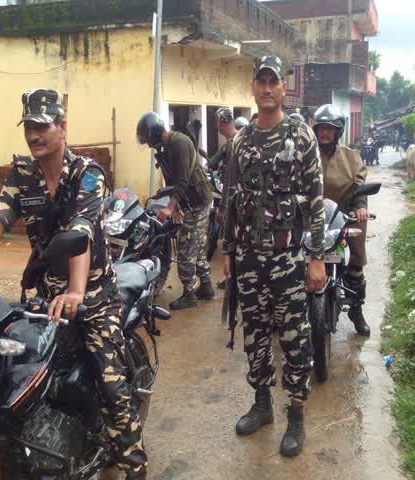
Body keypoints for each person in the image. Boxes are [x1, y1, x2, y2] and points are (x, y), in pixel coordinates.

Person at [0, 89, 147, 479]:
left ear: (62, 127)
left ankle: (132, 461)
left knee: (110, 381)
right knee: (12, 371)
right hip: (46, 299)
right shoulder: (22, 176)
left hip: (94, 297)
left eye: (42, 126)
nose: (34, 135)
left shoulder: (88, 174)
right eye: (29, 126)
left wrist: (78, 290)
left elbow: (81, 231)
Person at [223, 55, 326, 457]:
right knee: (255, 334)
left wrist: (316, 257)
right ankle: (262, 405)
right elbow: (232, 200)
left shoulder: (301, 136)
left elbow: (316, 199)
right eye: (260, 81)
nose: (266, 88)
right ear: (252, 87)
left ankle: (295, 416)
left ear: (284, 87)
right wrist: (229, 252)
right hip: (249, 258)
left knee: (294, 337)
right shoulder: (242, 141)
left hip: (288, 258)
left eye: (273, 82)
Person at [136, 112, 214, 310]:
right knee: (194, 245)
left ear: (154, 133)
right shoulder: (165, 149)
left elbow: (182, 181)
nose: (148, 144)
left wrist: (170, 207)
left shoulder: (179, 143)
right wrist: (177, 208)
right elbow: (171, 182)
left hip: (198, 201)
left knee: (186, 249)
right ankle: (206, 286)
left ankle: (190, 294)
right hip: (189, 202)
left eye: (148, 139)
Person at [312, 104, 371, 336]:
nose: (325, 133)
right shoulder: (306, 153)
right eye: (321, 128)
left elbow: (360, 190)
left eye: (330, 128)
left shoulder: (351, 157)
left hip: (343, 217)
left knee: (355, 264)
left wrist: (360, 209)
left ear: (338, 131)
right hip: (312, 219)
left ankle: (356, 310)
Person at [208, 108, 242, 290]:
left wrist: (222, 207)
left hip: (235, 201)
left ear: (220, 124)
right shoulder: (233, 142)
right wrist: (206, 166)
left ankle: (233, 280)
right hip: (241, 199)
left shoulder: (234, 144)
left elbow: (230, 179)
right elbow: (215, 159)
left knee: (232, 243)